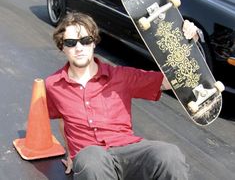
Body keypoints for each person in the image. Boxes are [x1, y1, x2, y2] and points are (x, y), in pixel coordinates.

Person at [45, 11, 199, 180]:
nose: (79, 48)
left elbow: (167, 81)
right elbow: (63, 121)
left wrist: (187, 46)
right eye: (71, 43)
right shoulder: (53, 84)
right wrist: (71, 154)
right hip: (92, 159)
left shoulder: (120, 76)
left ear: (94, 43)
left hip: (128, 150)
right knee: (91, 157)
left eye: (85, 40)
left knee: (169, 154)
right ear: (62, 47)